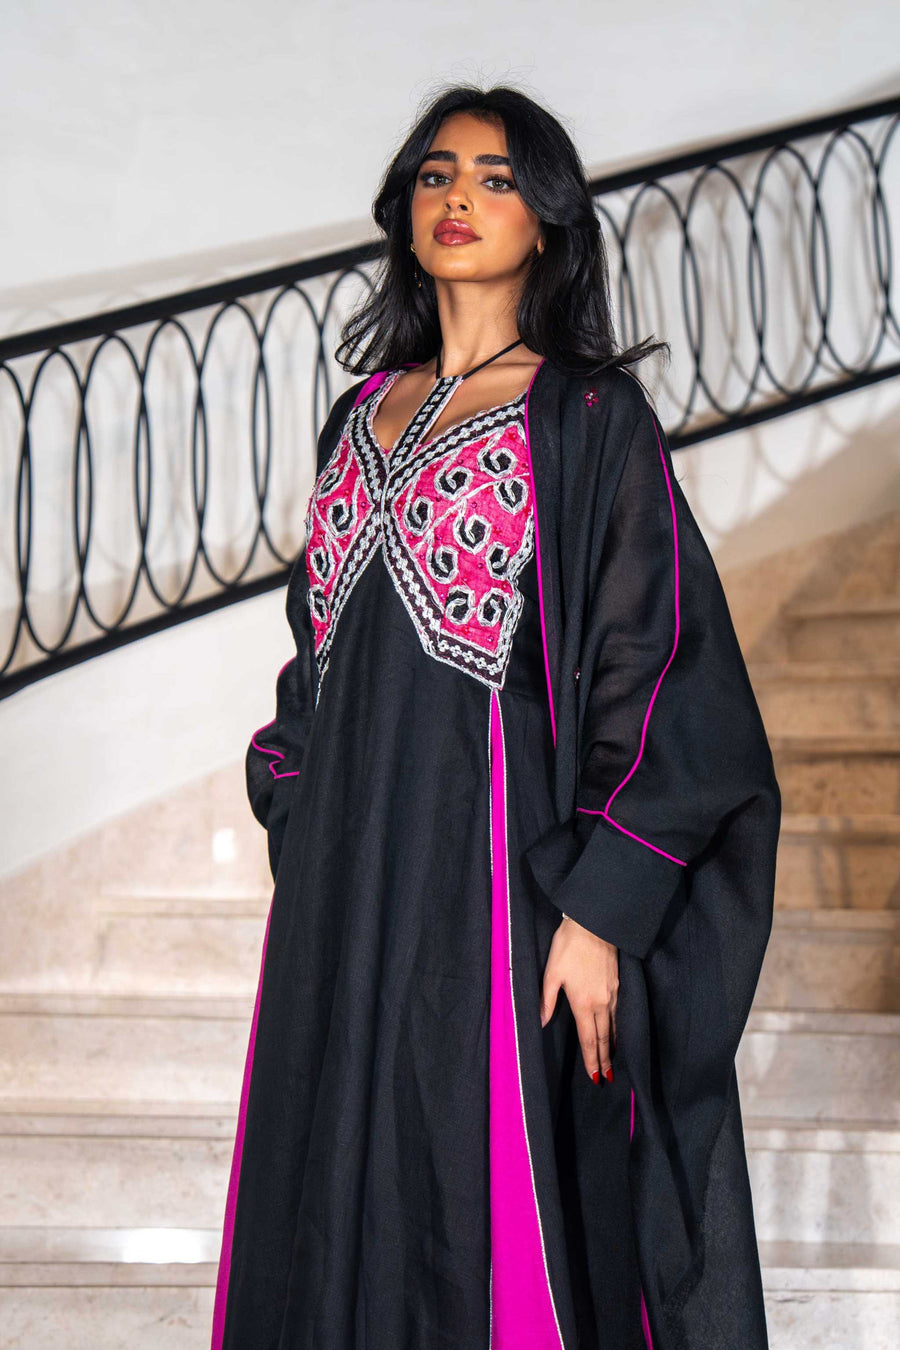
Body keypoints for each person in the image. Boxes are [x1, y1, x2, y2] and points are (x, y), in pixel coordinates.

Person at [210, 83, 781, 1350]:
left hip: (500, 885)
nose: (458, 196)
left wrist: (602, 911)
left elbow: (659, 667)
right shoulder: (358, 416)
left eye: (496, 177)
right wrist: (299, 807)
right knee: (331, 1192)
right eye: (436, 175)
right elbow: (316, 657)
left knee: (480, 1194)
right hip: (345, 888)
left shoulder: (587, 419)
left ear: (547, 221)